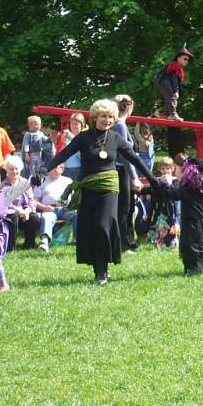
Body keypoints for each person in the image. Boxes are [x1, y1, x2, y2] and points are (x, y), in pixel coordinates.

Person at [44, 99, 159, 285]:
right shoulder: (84, 137)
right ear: (95, 117)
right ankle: (98, 269)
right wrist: (45, 169)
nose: (107, 120)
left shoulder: (115, 138)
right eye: (104, 116)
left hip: (109, 188)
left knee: (103, 226)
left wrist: (152, 179)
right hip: (88, 187)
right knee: (90, 228)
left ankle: (103, 270)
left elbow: (135, 159)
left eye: (111, 117)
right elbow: (64, 154)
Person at [157, 158, 203, 275]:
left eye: (179, 170)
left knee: (191, 246)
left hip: (192, 222)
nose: (176, 172)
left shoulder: (187, 188)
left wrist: (164, 183)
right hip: (197, 221)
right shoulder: (195, 186)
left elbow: (173, 194)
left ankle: (194, 269)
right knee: (201, 244)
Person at [112, 95, 142, 253]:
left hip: (122, 171)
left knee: (128, 208)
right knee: (123, 208)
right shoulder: (120, 126)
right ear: (129, 107)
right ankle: (122, 244)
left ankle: (128, 241)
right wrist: (134, 177)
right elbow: (124, 154)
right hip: (120, 171)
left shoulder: (119, 125)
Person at [34, 164, 77, 252]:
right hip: (48, 209)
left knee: (77, 214)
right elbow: (34, 201)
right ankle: (44, 243)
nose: (52, 170)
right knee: (46, 218)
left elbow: (74, 199)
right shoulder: (42, 182)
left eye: (55, 167)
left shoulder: (68, 181)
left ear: (62, 169)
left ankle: (78, 240)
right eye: (51, 168)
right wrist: (44, 207)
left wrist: (59, 204)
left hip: (66, 209)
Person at [2, 155, 40, 251]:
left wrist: (27, 211)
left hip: (23, 212)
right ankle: (11, 246)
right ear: (6, 170)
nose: (14, 171)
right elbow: (3, 202)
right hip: (8, 213)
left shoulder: (25, 183)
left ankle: (29, 244)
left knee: (34, 217)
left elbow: (31, 201)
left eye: (16, 169)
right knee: (13, 215)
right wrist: (18, 210)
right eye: (11, 169)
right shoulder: (2, 184)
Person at [148, 156, 180, 249]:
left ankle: (174, 240)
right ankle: (160, 241)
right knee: (161, 224)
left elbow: (176, 195)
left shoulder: (175, 180)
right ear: (160, 169)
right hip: (161, 208)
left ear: (173, 168)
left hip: (173, 208)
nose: (165, 171)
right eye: (163, 168)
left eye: (168, 168)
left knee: (173, 224)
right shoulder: (158, 180)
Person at [157, 45, 193, 121]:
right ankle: (173, 114)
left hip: (163, 82)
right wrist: (176, 92)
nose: (186, 61)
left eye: (187, 60)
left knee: (169, 98)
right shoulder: (175, 67)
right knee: (173, 96)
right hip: (165, 82)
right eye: (185, 59)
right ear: (178, 58)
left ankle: (166, 114)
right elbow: (174, 81)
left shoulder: (177, 67)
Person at [58, 112, 87, 180]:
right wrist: (64, 143)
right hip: (66, 169)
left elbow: (83, 154)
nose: (73, 126)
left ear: (81, 125)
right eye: (72, 124)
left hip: (78, 169)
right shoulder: (67, 136)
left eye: (76, 124)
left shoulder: (84, 136)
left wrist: (72, 138)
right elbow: (62, 153)